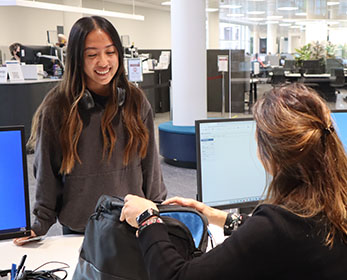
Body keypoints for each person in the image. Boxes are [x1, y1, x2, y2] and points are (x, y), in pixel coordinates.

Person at [120, 83, 347, 279]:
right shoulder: (333, 202)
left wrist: (147, 219)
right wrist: (219, 217)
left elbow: (177, 276)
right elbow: (285, 235)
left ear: (269, 153)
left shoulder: (277, 225)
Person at [14, 16, 167, 244]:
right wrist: (40, 223)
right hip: (80, 232)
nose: (103, 62)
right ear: (77, 59)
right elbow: (46, 171)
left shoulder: (135, 101)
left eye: (110, 52)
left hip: (130, 226)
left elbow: (151, 166)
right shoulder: (57, 107)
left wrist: (157, 210)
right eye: (92, 55)